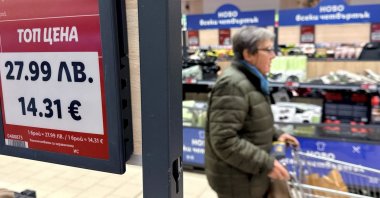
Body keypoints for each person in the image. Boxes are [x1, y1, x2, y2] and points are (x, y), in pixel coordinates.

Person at [205, 27, 300, 198]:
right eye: (268, 49)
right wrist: (266, 164)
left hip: (248, 174)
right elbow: (224, 140)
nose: (274, 55)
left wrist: (276, 135)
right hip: (237, 180)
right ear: (248, 54)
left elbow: (252, 122)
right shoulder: (233, 85)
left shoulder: (251, 80)